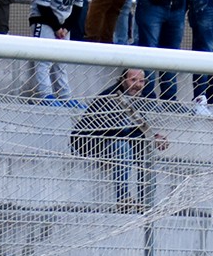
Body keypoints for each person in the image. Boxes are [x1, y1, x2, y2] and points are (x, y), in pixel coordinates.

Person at [70, 68, 169, 212]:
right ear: (122, 80)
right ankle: (123, 199)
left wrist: (153, 138)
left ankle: (146, 201)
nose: (138, 84)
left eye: (141, 81)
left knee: (145, 149)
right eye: (133, 80)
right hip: (93, 142)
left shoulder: (142, 97)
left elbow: (136, 129)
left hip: (118, 139)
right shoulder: (110, 97)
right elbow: (116, 131)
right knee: (122, 147)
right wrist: (147, 137)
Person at [29, 0, 85, 104]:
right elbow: (43, 5)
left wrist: (65, 28)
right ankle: (45, 95)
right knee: (44, 59)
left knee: (61, 61)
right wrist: (56, 27)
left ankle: (64, 96)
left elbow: (77, 8)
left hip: (62, 23)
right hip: (43, 20)